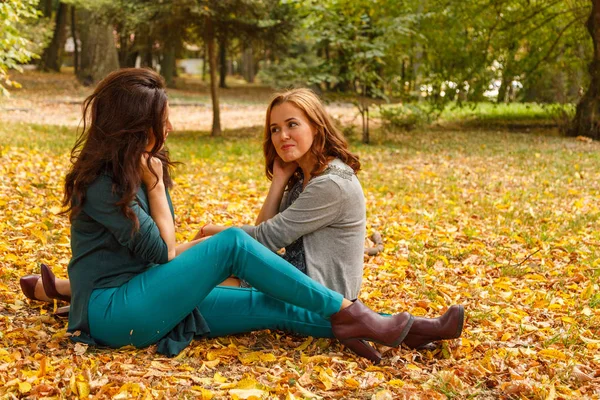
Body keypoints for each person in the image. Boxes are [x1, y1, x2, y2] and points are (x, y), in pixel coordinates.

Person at [19, 68, 465, 363]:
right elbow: (161, 253)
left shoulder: (139, 166)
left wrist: (156, 184)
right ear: (135, 125)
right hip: (115, 311)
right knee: (231, 242)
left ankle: (408, 330)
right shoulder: (102, 182)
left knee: (271, 306)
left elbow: (166, 253)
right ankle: (359, 316)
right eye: (163, 119)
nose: (170, 128)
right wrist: (156, 189)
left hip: (146, 294)